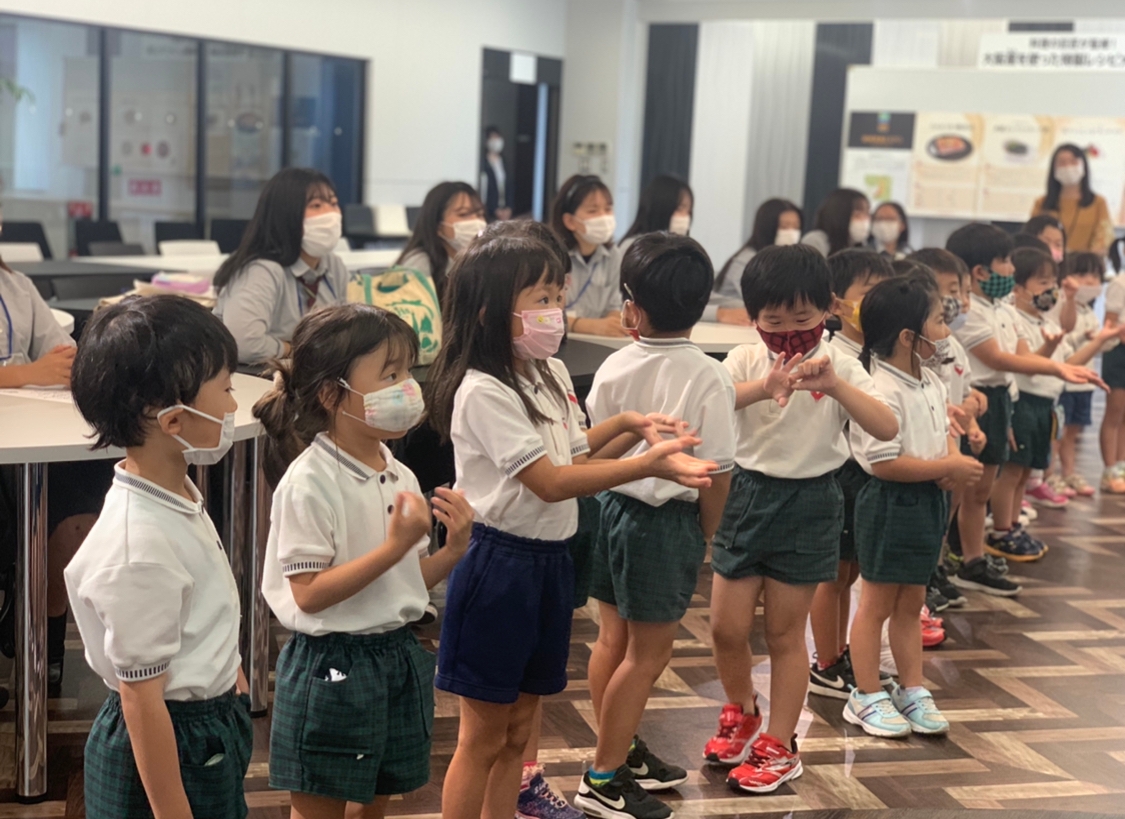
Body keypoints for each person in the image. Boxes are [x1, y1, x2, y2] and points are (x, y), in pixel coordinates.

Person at [424, 233, 716, 819]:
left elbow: (575, 454)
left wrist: (629, 424)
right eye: (540, 298)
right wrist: (647, 465)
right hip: (499, 564)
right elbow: (551, 482)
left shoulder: (550, 370)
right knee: (482, 736)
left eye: (558, 295)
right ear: (488, 311)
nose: (555, 310)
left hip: (550, 562)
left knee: (519, 730)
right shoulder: (483, 390)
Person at [253, 304, 473, 819]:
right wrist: (393, 547)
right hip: (330, 664)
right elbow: (309, 594)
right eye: (390, 376)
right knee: (320, 805)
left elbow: (405, 583)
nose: (408, 388)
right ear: (332, 395)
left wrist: (452, 552)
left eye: (407, 372)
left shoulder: (399, 472)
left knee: (377, 799)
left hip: (394, 654)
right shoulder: (310, 482)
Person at [703, 244, 898, 794]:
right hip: (746, 494)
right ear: (753, 318)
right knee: (725, 628)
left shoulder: (842, 364)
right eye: (774, 321)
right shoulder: (744, 358)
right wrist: (764, 387)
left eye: (802, 319)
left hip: (812, 500)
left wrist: (835, 386)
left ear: (828, 308)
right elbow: (712, 405)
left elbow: (886, 427)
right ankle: (743, 710)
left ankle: (780, 744)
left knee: (785, 634)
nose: (788, 332)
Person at [65, 296, 252, 819]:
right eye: (226, 389)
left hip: (204, 716)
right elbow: (141, 699)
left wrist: (230, 678)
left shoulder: (173, 491)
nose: (234, 405)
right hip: (171, 735)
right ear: (173, 420)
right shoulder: (139, 547)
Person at [578, 233, 737, 819]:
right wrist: (710, 537)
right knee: (648, 656)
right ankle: (603, 776)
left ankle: (621, 753)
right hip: (663, 523)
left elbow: (592, 448)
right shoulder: (709, 375)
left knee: (612, 642)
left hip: (608, 509)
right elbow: (716, 473)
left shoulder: (614, 363)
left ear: (633, 308)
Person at [844, 276, 981, 738]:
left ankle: (912, 688)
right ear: (908, 336)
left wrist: (949, 461)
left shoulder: (930, 380)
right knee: (876, 604)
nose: (946, 332)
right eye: (939, 322)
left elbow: (943, 431)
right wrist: (946, 466)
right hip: (890, 503)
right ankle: (865, 693)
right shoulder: (880, 390)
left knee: (911, 603)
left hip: (927, 501)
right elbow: (884, 465)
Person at [946, 224, 1100, 593]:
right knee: (955, 494)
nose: (1011, 270)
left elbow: (1022, 357)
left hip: (1000, 400)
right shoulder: (970, 312)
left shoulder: (1004, 307)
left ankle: (972, 561)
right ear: (981, 271)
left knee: (981, 491)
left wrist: (1053, 363)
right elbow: (997, 359)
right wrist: (1058, 368)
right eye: (1005, 261)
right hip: (974, 400)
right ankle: (941, 563)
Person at [0, 244, 112, 698]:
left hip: (27, 428)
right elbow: (38, 368)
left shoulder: (16, 285)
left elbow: (63, 356)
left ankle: (42, 636)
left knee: (84, 484)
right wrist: (27, 373)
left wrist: (63, 366)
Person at [807, 249, 894, 701]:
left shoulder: (872, 352)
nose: (877, 302)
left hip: (864, 476)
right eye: (869, 292)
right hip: (839, 472)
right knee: (832, 576)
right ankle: (825, 662)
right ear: (837, 303)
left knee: (852, 571)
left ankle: (840, 652)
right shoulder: (831, 355)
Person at [213, 167, 349, 366]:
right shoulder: (261, 270)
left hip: (309, 373)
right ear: (286, 213)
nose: (330, 214)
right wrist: (293, 350)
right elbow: (244, 344)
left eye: (334, 203)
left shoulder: (333, 266)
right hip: (255, 374)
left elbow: (344, 333)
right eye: (316, 205)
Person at [992, 249, 1069, 550]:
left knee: (1025, 472)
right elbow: (1029, 365)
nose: (1051, 290)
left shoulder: (1047, 323)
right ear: (1019, 288)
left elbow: (1064, 365)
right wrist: (1049, 349)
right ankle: (1001, 530)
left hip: (1044, 405)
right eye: (1042, 282)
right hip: (1023, 402)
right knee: (1012, 471)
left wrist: (1100, 341)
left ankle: (1014, 525)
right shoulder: (1016, 320)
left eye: (1053, 282)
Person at [1052, 253, 1115, 496]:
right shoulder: (1062, 306)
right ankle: (1050, 475)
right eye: (1081, 274)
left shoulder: (1089, 311)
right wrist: (1085, 338)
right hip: (1066, 383)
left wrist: (1104, 339)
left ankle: (1069, 473)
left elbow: (1099, 345)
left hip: (1085, 384)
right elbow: (1063, 340)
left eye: (1095, 276)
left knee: (1073, 432)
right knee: (1057, 433)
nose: (1089, 281)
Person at [549, 174, 627, 336]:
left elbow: (614, 306)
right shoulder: (549, 256)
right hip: (555, 340)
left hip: (597, 342)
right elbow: (540, 316)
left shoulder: (613, 255)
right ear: (570, 221)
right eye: (593, 211)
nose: (603, 217)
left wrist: (613, 323)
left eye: (608, 209)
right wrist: (582, 325)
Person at [712, 198, 803, 324]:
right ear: (767, 228)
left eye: (796, 227)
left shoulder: (789, 261)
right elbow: (766, 302)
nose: (791, 233)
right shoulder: (748, 261)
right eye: (784, 226)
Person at [396, 181, 486, 302]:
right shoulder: (420, 264)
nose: (476, 221)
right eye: (463, 214)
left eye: (480, 214)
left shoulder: (477, 261)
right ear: (438, 225)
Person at [1031, 144, 1114, 255]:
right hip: (1047, 263)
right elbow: (1031, 238)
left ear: (1083, 165)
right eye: (1062, 162)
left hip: (1085, 264)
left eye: (1073, 161)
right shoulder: (1041, 203)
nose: (1068, 167)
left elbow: (1104, 242)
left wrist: (1079, 259)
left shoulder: (1098, 202)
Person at [1099, 258, 1125, 492]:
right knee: (1115, 413)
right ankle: (1109, 470)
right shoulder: (1120, 282)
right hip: (1119, 351)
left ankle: (1121, 466)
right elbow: (1110, 322)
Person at [802, 188, 871, 257]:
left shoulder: (862, 247)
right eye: (858, 214)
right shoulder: (816, 241)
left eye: (867, 214)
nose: (865, 220)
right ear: (840, 214)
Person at [481, 126, 512, 222]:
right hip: (490, 210)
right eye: (492, 138)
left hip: (504, 208)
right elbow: (485, 188)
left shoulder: (504, 161)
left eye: (497, 137)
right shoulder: (483, 162)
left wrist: (509, 207)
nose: (496, 141)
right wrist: (494, 209)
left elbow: (509, 185)